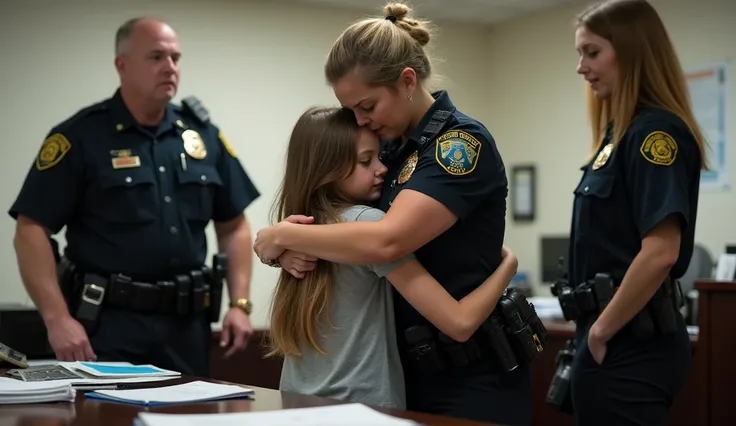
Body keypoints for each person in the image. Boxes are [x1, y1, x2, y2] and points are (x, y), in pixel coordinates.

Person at [254, 4, 535, 425]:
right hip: (405, 370)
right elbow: (334, 214)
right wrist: (272, 244)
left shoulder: (458, 144)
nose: (360, 120)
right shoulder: (389, 148)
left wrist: (282, 237)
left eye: (367, 106)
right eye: (351, 112)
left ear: (406, 81)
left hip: (470, 374)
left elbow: (386, 239)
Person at [9, 17, 260, 377]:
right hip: (107, 324)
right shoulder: (80, 136)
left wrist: (240, 304)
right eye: (156, 57)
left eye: (176, 58)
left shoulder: (202, 136)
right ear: (121, 65)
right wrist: (57, 318)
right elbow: (30, 229)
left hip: (187, 327)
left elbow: (234, 225)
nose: (170, 68)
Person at [267, 105, 520, 410]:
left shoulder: (297, 229)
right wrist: (508, 266)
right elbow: (459, 322)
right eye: (365, 161)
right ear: (327, 170)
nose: (382, 169)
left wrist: (272, 244)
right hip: (360, 406)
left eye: (380, 157)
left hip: (296, 402)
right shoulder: (367, 223)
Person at [557, 1, 706, 424]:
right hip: (610, 332)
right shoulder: (618, 136)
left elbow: (661, 251)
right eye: (579, 54)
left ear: (631, 51)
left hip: (631, 340)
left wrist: (601, 332)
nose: (581, 68)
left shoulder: (654, 133)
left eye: (592, 52)